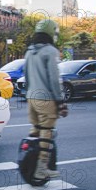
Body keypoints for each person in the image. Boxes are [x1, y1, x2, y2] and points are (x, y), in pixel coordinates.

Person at [24, 19, 69, 181]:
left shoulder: (29, 51)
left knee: (35, 131)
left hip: (31, 97)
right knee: (46, 132)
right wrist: (61, 102)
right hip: (46, 99)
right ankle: (42, 168)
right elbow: (54, 79)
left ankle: (29, 163)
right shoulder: (50, 51)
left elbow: (27, 77)